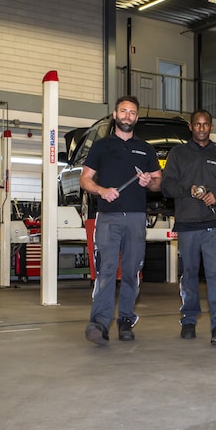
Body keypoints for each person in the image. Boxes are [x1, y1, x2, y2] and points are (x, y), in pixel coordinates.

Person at [80, 95, 162, 345]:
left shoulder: (146, 149)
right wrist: (102, 190)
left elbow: (159, 182)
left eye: (132, 112)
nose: (128, 116)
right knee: (105, 271)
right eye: (123, 111)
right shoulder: (101, 146)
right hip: (108, 218)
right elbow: (85, 179)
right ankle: (99, 323)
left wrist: (150, 182)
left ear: (137, 118)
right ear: (115, 115)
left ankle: (126, 321)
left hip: (136, 218)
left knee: (131, 272)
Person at [161, 109, 216, 345]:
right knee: (189, 275)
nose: (201, 128)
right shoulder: (178, 154)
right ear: (191, 127)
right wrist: (189, 190)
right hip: (187, 225)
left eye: (205, 124)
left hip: (213, 226)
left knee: (215, 275)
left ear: (211, 127)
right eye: (197, 124)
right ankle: (189, 320)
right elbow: (166, 186)